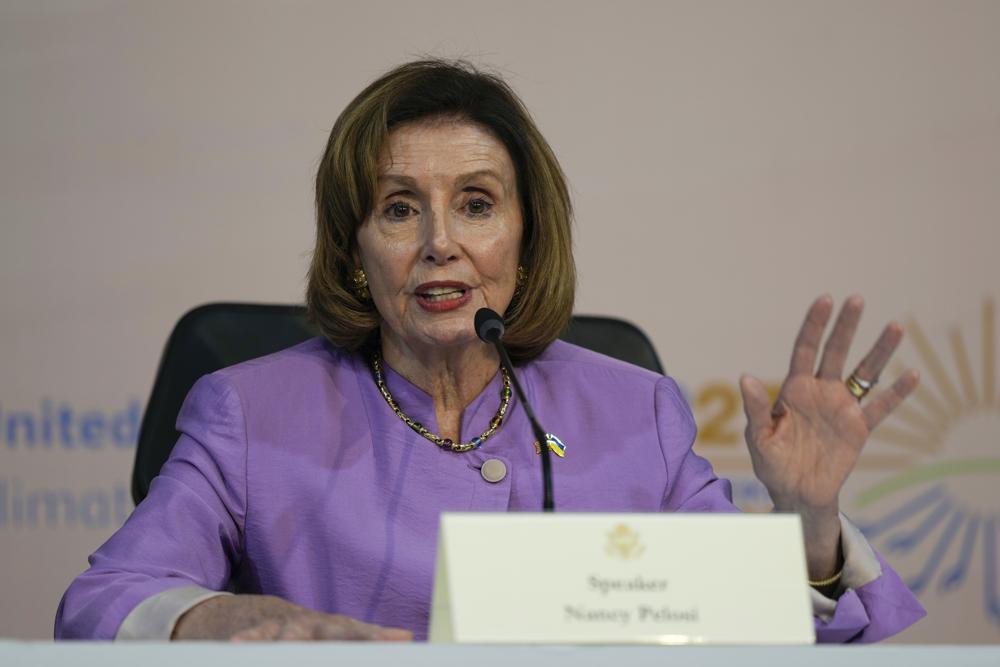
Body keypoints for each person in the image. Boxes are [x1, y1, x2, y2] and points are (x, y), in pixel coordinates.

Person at [55, 60, 925, 642]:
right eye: (399, 208)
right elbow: (104, 599)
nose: (440, 242)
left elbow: (748, 631)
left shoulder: (638, 415)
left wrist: (807, 521)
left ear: (526, 237)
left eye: (476, 203)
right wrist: (223, 618)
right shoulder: (250, 411)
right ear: (353, 247)